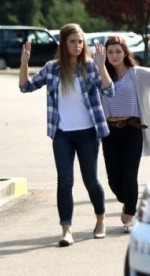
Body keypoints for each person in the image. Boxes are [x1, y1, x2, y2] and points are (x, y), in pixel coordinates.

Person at [19, 23, 114, 247]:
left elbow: (109, 90)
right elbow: (25, 86)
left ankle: (100, 220)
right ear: (63, 43)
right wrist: (24, 62)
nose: (77, 46)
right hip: (62, 134)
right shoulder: (52, 68)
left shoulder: (91, 66)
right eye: (73, 41)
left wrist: (102, 67)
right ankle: (67, 230)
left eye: (80, 41)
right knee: (65, 182)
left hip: (89, 133)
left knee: (91, 181)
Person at [101, 34, 150, 233]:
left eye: (118, 51)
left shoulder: (137, 74)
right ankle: (129, 201)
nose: (114, 55)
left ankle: (129, 216)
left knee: (129, 176)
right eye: (110, 52)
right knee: (114, 179)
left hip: (133, 130)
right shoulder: (101, 74)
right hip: (110, 131)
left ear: (125, 53)